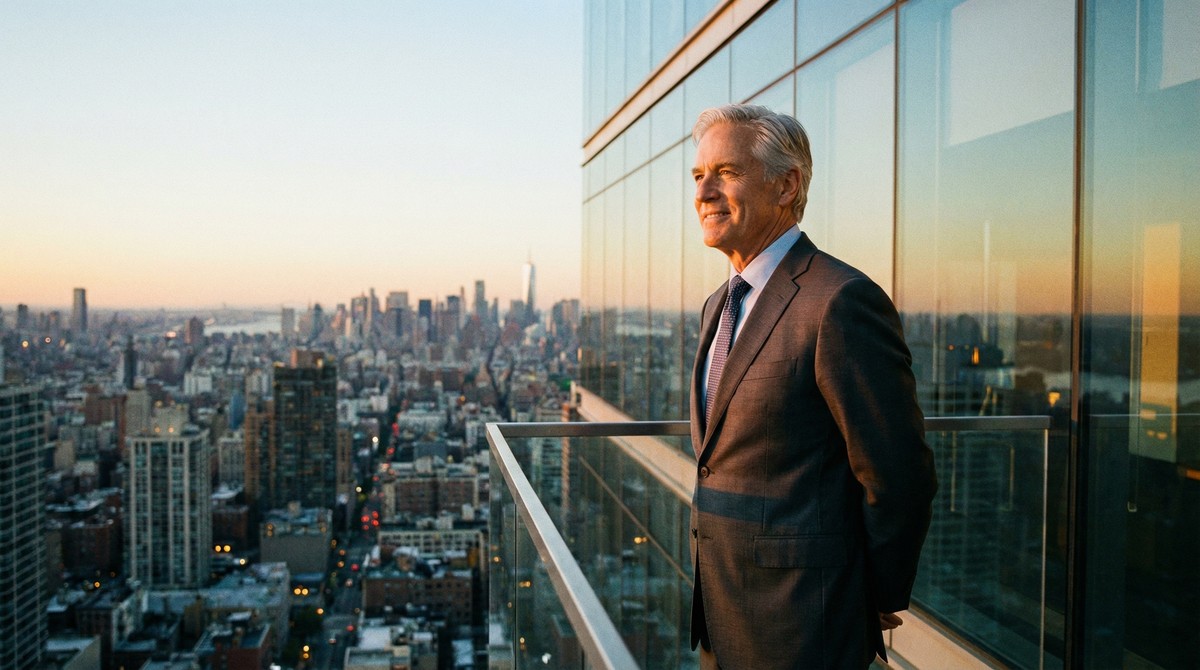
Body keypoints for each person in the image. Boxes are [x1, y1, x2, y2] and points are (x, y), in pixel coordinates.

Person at [687, 103, 938, 669]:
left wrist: (870, 593)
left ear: (786, 184)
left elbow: (897, 473)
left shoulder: (840, 299)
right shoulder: (715, 308)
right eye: (698, 176)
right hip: (719, 619)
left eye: (725, 172)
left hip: (805, 624)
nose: (704, 193)